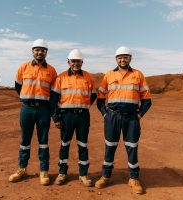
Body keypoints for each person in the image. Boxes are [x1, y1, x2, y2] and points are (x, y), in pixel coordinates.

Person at [95, 46, 152, 194]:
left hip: (132, 117)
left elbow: (147, 100)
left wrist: (139, 115)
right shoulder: (108, 75)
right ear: (116, 59)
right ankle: (105, 176)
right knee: (110, 146)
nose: (122, 59)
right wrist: (105, 114)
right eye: (120, 57)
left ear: (130, 59)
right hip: (112, 116)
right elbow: (100, 99)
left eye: (125, 57)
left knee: (132, 147)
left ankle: (134, 178)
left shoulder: (138, 75)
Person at [8, 39, 57, 185]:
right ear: (32, 51)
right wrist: (27, 98)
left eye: (42, 50)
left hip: (43, 109)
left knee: (43, 141)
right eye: (37, 49)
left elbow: (54, 93)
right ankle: (22, 169)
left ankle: (44, 171)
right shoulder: (23, 68)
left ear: (46, 52)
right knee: (25, 140)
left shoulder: (51, 71)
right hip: (27, 109)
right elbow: (18, 86)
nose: (39, 52)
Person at [50, 49, 97, 187]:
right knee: (65, 145)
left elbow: (93, 95)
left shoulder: (88, 77)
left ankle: (83, 174)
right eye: (73, 61)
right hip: (66, 116)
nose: (76, 63)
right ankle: (62, 173)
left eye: (78, 61)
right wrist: (56, 117)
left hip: (83, 116)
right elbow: (53, 99)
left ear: (82, 62)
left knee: (83, 145)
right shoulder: (61, 77)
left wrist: (85, 106)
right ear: (68, 62)